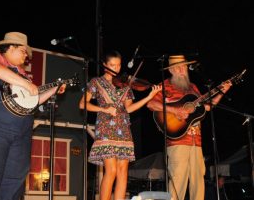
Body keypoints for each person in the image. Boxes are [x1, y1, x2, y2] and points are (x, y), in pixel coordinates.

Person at [0, 32, 66, 200]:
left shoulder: (23, 74)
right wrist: (25, 83)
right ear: (11, 47)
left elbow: (34, 100)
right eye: (23, 51)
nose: (26, 56)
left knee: (15, 180)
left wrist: (54, 89)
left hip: (22, 128)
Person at [146, 55, 232, 200]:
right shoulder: (165, 85)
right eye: (178, 67)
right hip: (177, 141)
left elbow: (207, 107)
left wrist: (222, 91)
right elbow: (151, 104)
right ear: (171, 70)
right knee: (178, 180)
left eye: (184, 66)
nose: (182, 70)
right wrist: (175, 111)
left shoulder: (193, 88)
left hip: (196, 141)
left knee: (198, 180)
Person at [79, 50, 161, 200]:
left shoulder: (125, 84)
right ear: (104, 65)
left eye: (118, 65)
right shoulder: (96, 82)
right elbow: (83, 104)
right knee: (111, 171)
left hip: (123, 128)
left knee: (123, 171)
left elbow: (129, 108)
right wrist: (103, 108)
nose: (116, 69)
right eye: (112, 65)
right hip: (105, 128)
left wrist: (149, 96)